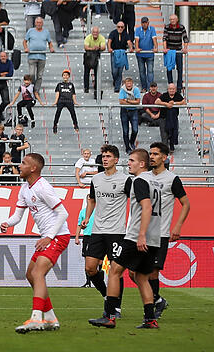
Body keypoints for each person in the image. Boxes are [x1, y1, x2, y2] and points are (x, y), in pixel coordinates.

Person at [89, 148, 161, 329]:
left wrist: (141, 235)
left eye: (131, 161)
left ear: (141, 164)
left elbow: (147, 208)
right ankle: (150, 319)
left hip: (137, 236)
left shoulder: (138, 181)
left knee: (114, 271)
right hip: (154, 236)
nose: (128, 163)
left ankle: (110, 315)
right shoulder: (155, 182)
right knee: (141, 278)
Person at [0, 153, 70, 333]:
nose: (19, 165)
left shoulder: (43, 187)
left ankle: (36, 318)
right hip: (47, 237)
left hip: (58, 236)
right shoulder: (24, 188)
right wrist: (7, 223)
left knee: (38, 272)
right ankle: (50, 317)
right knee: (31, 275)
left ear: (33, 168)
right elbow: (18, 215)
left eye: (23, 163)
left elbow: (63, 213)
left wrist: (49, 237)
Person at [147, 142, 191, 319]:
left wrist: (178, 226)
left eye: (156, 154)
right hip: (142, 233)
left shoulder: (172, 179)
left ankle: (152, 307)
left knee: (152, 272)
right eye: (150, 153)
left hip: (161, 232)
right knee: (134, 273)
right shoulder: (144, 177)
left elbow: (186, 204)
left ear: (164, 158)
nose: (151, 156)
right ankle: (158, 301)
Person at [23, 17, 55, 96]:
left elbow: (50, 42)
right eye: (37, 22)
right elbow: (24, 41)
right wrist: (26, 48)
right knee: (32, 74)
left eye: (40, 22)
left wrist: (51, 48)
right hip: (32, 56)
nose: (39, 24)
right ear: (35, 23)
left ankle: (36, 91)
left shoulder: (46, 32)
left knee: (39, 75)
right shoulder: (30, 31)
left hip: (42, 57)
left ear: (42, 23)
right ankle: (32, 88)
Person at [154, 83, 185, 152]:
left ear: (175, 89)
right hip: (163, 118)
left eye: (173, 89)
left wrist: (174, 103)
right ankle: (165, 151)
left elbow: (183, 102)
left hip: (173, 119)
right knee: (164, 134)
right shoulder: (164, 95)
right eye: (170, 89)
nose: (171, 90)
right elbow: (157, 101)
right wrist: (166, 104)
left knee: (173, 133)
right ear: (168, 89)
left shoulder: (177, 95)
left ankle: (171, 146)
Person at [163, 14, 188, 89]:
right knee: (169, 68)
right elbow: (164, 38)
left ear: (177, 20)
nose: (172, 21)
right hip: (170, 50)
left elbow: (185, 39)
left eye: (173, 19)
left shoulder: (181, 27)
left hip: (178, 50)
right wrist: (165, 48)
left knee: (179, 69)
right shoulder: (167, 27)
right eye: (170, 19)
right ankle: (170, 85)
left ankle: (179, 86)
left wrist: (185, 48)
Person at [107, 21, 134, 93]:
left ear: (124, 28)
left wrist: (131, 48)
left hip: (122, 54)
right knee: (114, 71)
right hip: (114, 53)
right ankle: (115, 81)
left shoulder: (126, 34)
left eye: (122, 27)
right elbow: (109, 41)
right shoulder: (113, 33)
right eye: (119, 27)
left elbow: (129, 42)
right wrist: (109, 48)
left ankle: (117, 87)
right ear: (116, 27)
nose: (120, 28)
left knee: (120, 71)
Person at [134, 17, 157, 92]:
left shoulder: (152, 29)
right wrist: (137, 48)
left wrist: (156, 47)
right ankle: (144, 87)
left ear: (148, 23)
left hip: (149, 54)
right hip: (140, 55)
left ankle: (150, 88)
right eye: (143, 23)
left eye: (145, 22)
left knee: (150, 71)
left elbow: (154, 39)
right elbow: (136, 40)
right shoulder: (138, 29)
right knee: (142, 71)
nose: (144, 24)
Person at [52, 69, 79, 134]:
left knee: (73, 113)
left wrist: (75, 101)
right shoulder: (59, 84)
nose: (65, 76)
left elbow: (73, 94)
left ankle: (75, 125)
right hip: (61, 100)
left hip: (69, 101)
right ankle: (55, 125)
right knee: (58, 112)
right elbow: (57, 93)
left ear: (69, 76)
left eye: (67, 75)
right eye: (64, 75)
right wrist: (55, 101)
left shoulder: (71, 85)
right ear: (62, 76)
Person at [119, 77, 141, 153]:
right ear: (125, 84)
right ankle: (127, 147)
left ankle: (131, 141)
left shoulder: (136, 89)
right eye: (127, 83)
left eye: (130, 83)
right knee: (125, 131)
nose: (129, 85)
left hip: (134, 111)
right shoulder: (122, 90)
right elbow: (121, 102)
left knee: (135, 130)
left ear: (132, 84)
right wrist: (133, 101)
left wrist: (127, 101)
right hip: (124, 111)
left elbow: (138, 101)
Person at [83, 26, 106, 94]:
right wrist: (93, 48)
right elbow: (86, 47)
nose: (95, 33)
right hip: (88, 56)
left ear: (98, 33)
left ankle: (96, 87)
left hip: (96, 56)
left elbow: (103, 47)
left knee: (97, 73)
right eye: (94, 32)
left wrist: (98, 48)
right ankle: (86, 87)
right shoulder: (88, 37)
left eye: (96, 32)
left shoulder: (101, 38)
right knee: (86, 73)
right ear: (92, 32)